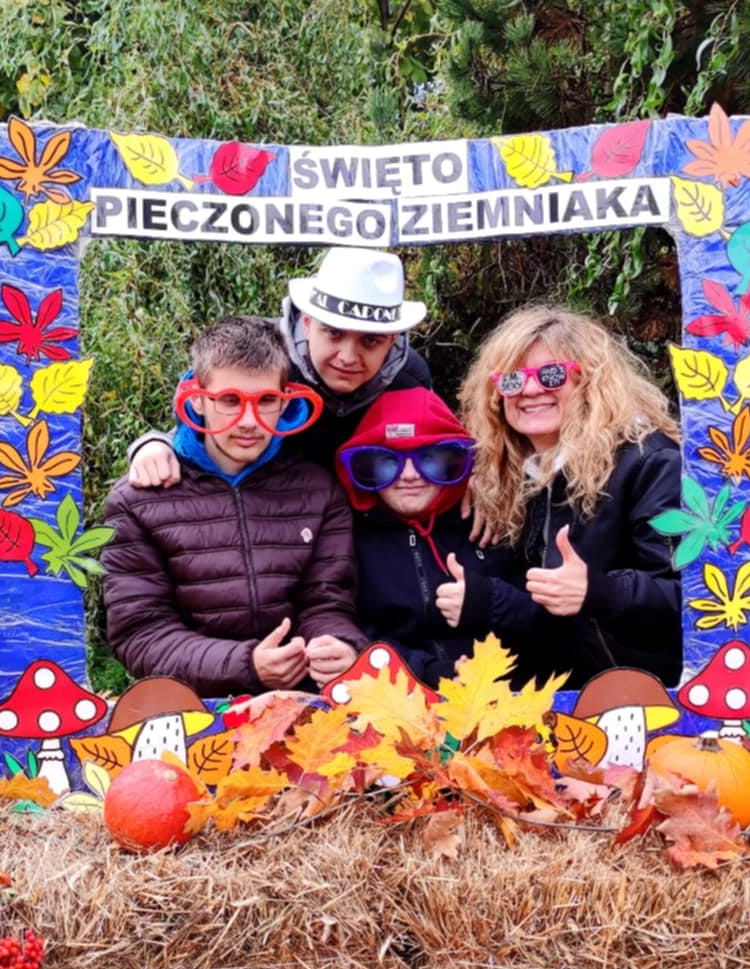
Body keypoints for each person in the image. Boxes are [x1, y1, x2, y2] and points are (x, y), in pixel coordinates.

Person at [100, 316, 364, 696]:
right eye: (229, 401)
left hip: (300, 705)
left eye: (266, 401)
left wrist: (338, 644)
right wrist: (246, 665)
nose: (249, 421)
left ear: (285, 401)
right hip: (192, 711)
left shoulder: (319, 490)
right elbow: (141, 634)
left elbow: (327, 601)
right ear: (198, 401)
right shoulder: (138, 500)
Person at [451, 304, 682, 685]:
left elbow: (697, 601)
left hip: (642, 701)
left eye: (551, 374)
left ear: (590, 381)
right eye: (511, 380)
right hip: (552, 704)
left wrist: (601, 591)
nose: (528, 390)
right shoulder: (507, 474)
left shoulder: (649, 464)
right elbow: (536, 615)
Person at [125, 247, 436, 486]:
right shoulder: (262, 353)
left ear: (392, 339)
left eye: (371, 341)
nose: (348, 357)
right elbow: (201, 420)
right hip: (276, 520)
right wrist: (154, 445)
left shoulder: (410, 378)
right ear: (307, 321)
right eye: (334, 333)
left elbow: (433, 445)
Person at [334, 386, 534, 686]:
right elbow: (351, 633)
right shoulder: (350, 538)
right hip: (397, 701)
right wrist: (428, 671)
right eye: (386, 462)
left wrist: (490, 602)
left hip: (509, 696)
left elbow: (551, 622)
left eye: (431, 458)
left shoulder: (492, 522)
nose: (410, 474)